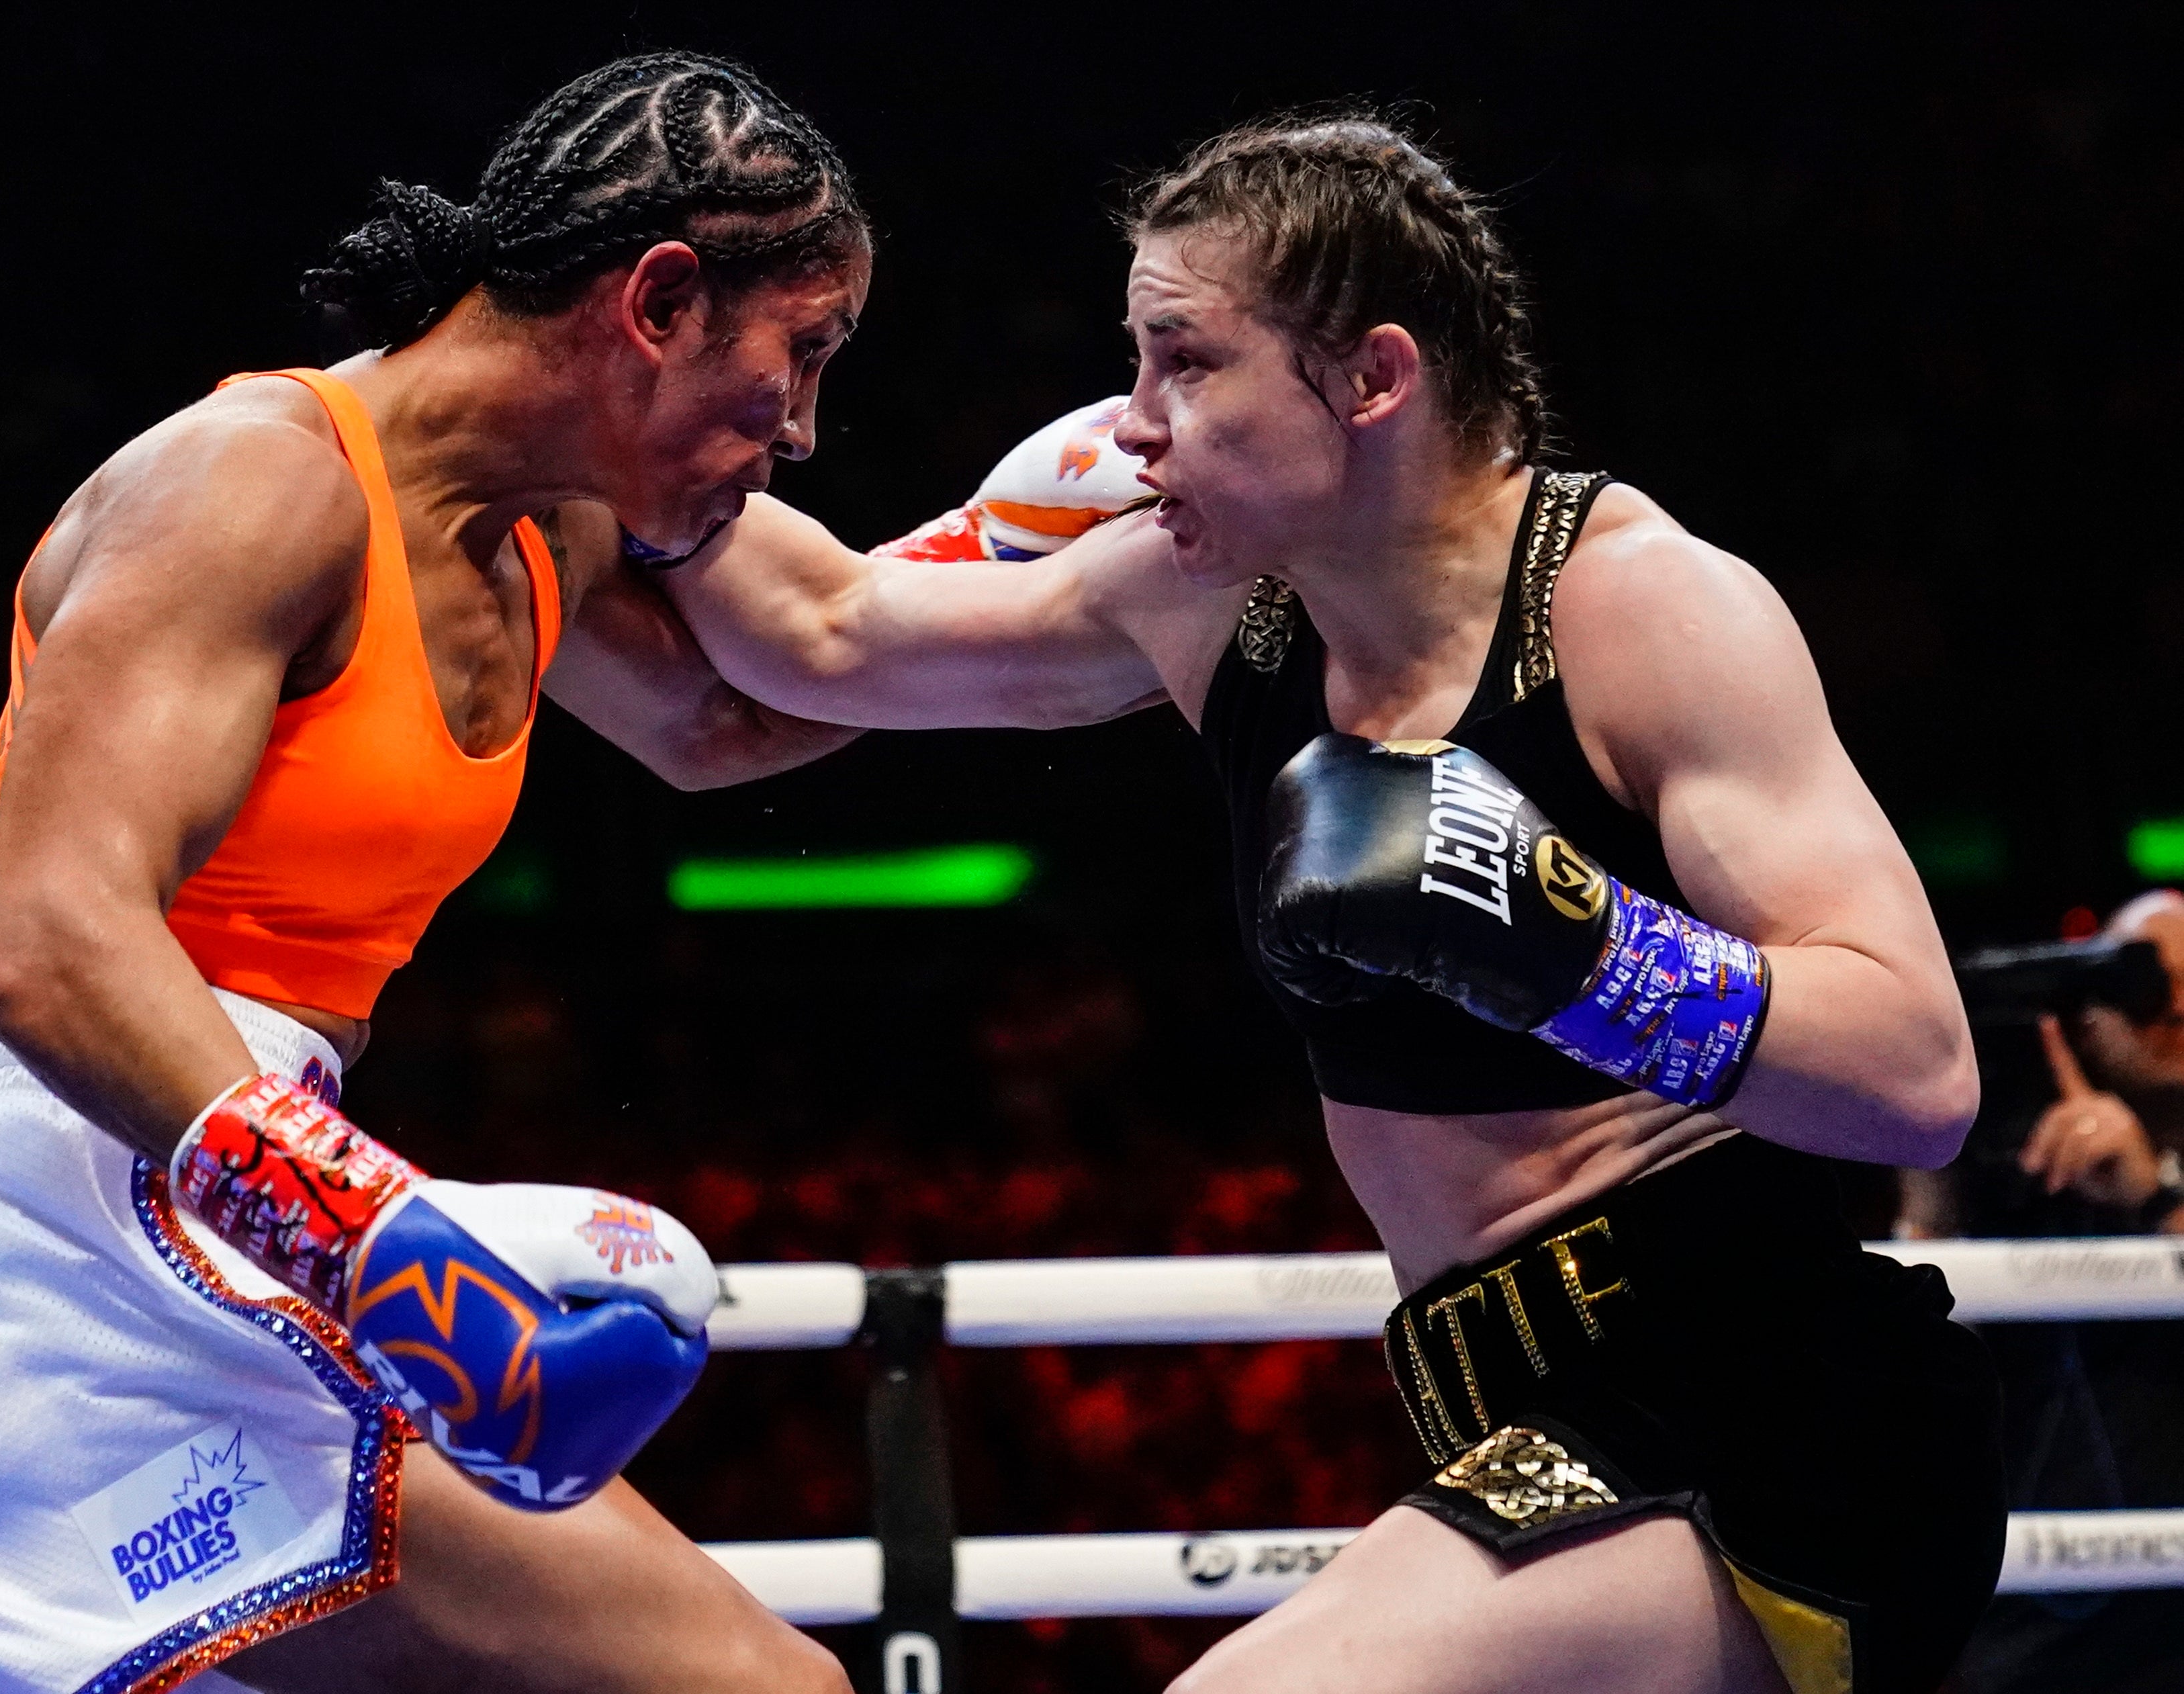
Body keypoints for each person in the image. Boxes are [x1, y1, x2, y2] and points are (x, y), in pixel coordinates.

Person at [659, 114, 2002, 1693]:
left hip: (1765, 1410)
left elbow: (1920, 1077)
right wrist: (612, 432)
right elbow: (820, 638)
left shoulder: (1637, 607)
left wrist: (1580, 945)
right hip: (1521, 1408)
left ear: (1369, 380)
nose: (1131, 424)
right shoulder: (1209, 600)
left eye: (1185, 362)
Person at [0, 52, 865, 1694]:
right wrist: (380, 1237)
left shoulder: (530, 533)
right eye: (804, 353)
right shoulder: (256, 481)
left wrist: (1157, 567)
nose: (809, 425)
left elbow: (742, 707)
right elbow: (50, 949)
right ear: (662, 299)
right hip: (52, 1234)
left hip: (155, 1224)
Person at [1899, 890, 2184, 1694]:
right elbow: (1918, 1375)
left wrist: (2154, 1191)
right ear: (2087, 1013)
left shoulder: (2151, 1182)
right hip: (2031, 1637)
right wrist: (1930, 1174)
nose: (2177, 1004)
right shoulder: (2018, 1164)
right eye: (2144, 982)